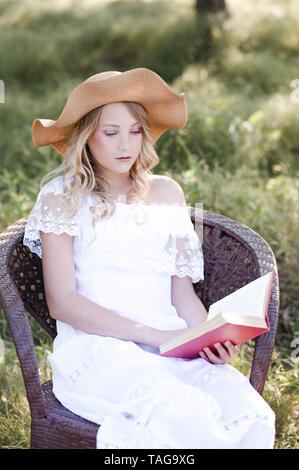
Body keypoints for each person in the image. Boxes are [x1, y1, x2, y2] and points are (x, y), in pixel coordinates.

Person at [23, 68, 275, 449]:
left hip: (174, 342)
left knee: (252, 413)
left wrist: (207, 339)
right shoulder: (62, 197)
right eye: (111, 132)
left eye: (135, 131)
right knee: (180, 411)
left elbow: (181, 295)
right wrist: (152, 337)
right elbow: (62, 302)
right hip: (101, 347)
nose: (126, 143)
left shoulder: (166, 193)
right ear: (86, 136)